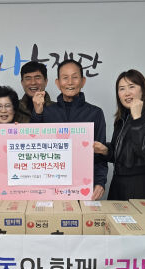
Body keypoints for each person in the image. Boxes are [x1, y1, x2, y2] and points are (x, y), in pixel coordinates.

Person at [30, 59, 108, 200]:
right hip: (50, 186)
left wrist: (100, 182)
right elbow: (33, 145)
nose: (70, 82)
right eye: (65, 78)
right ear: (57, 83)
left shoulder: (95, 113)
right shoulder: (47, 112)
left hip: (83, 187)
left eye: (75, 77)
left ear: (83, 81)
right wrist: (37, 113)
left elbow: (100, 153)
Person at [93, 69, 145, 200]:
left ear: (142, 90)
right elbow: (121, 153)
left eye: (132, 86)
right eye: (121, 89)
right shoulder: (122, 117)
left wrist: (137, 120)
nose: (127, 93)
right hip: (118, 183)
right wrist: (106, 150)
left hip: (139, 186)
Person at [0, 59, 53, 123]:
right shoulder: (14, 107)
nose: (33, 82)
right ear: (22, 83)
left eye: (37, 77)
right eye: (28, 78)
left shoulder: (56, 108)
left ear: (46, 81)